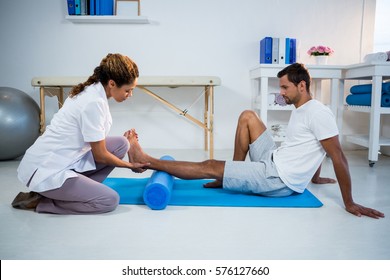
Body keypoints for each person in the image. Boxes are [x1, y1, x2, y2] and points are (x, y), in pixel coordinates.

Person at [126, 63, 384, 219]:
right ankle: (232, 175)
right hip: (274, 159)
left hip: (277, 178)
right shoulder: (303, 109)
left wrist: (348, 202)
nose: (281, 93)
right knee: (248, 116)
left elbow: (336, 154)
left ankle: (147, 160)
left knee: (209, 164)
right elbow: (311, 147)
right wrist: (314, 178)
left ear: (302, 86)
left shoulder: (318, 112)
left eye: (285, 88)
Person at [12, 53, 148, 214]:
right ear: (112, 83)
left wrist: (127, 145)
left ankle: (73, 193)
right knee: (109, 200)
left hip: (62, 160)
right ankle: (44, 202)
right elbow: (100, 155)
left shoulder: (94, 90)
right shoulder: (93, 102)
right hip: (46, 171)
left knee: (121, 145)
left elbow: (94, 139)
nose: (130, 95)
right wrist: (130, 165)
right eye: (128, 90)